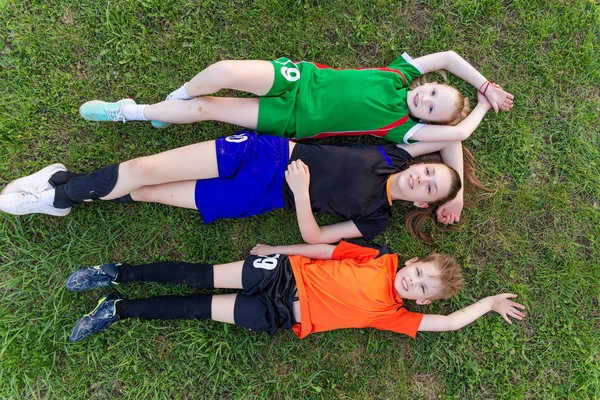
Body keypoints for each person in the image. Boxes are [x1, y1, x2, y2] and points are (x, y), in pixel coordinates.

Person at [0, 129, 483, 243]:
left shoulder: (375, 220)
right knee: (146, 168)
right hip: (265, 153)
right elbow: (454, 136)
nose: (423, 175)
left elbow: (315, 239)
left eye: (431, 186)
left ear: (421, 201)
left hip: (262, 196)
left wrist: (299, 196)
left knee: (144, 191)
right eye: (432, 170)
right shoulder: (394, 154)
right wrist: (458, 194)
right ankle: (58, 191)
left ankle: (61, 192)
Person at [65, 240, 526, 342]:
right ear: (411, 262)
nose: (414, 281)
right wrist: (277, 249)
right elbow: (325, 249)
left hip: (283, 316)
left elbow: (448, 322)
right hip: (281, 274)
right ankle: (115, 272)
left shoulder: (395, 314)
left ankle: (118, 309)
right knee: (198, 275)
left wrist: (488, 304)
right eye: (419, 271)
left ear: (421, 300)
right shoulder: (380, 259)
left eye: (422, 288)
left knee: (197, 308)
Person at [78, 51, 514, 143]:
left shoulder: (399, 128)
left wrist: (477, 108)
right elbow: (451, 57)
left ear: (430, 121)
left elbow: (457, 138)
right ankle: (168, 105)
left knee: (204, 109)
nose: (427, 100)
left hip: (290, 119)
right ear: (426, 82)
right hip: (296, 79)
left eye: (434, 109)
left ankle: (129, 111)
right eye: (433, 92)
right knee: (224, 71)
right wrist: (486, 84)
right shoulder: (400, 74)